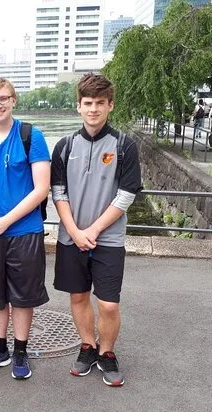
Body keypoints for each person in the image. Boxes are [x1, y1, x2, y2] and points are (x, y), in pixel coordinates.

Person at [51, 73, 142, 387]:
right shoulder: (64, 146)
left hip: (109, 239)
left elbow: (126, 195)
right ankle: (88, 346)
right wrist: (75, 231)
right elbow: (58, 192)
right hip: (71, 237)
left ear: (110, 105)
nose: (93, 109)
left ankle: (107, 352)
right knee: (78, 297)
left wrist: (93, 230)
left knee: (108, 303)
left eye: (100, 103)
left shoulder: (124, 146)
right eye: (87, 103)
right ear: (78, 105)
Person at [0, 77, 50, 380]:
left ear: (13, 100)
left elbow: (41, 188)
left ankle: (21, 351)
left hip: (24, 231)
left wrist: (6, 221)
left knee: (23, 296)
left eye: (3, 98)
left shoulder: (31, 136)